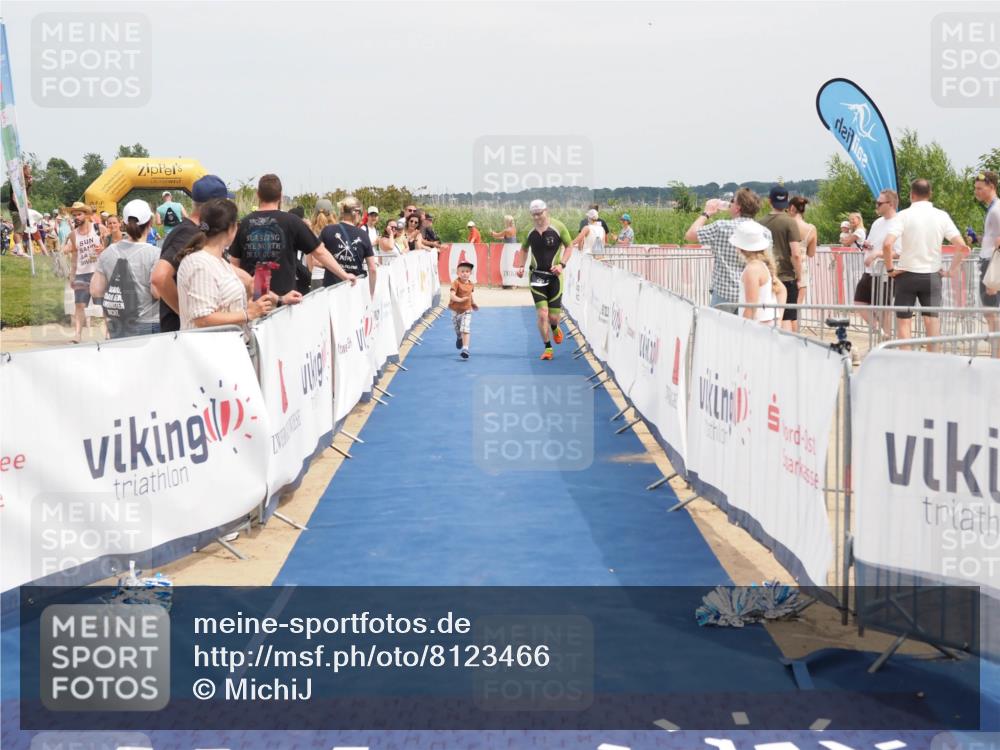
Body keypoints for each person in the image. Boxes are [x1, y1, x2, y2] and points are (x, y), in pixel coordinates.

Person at [176, 198, 302, 330]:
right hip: (208, 348)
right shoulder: (200, 264)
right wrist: (248, 314)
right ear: (231, 229)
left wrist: (280, 300)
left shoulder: (219, 261)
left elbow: (251, 283)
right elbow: (202, 319)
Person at [229, 174, 357, 297]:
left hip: (254, 300)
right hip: (284, 301)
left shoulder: (245, 223)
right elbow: (319, 252)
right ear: (280, 196)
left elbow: (234, 264)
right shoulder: (292, 221)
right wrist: (344, 275)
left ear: (258, 195)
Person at [882, 178, 969, 350]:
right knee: (931, 321)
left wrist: (890, 268)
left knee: (904, 322)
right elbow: (962, 246)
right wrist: (952, 270)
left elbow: (887, 244)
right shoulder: (941, 216)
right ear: (930, 194)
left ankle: (907, 361)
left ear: (911, 195)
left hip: (906, 274)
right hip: (931, 275)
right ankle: (932, 363)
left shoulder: (903, 215)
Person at [152, 174, 232, 333]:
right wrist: (185, 313)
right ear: (214, 206)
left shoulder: (198, 231)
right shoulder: (187, 233)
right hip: (183, 333)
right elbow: (159, 278)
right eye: (224, 204)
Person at [91, 200, 161, 339]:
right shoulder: (155, 253)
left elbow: (95, 290)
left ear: (124, 223)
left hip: (117, 322)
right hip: (147, 322)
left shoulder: (108, 252)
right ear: (150, 224)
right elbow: (156, 292)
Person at [684, 187, 761, 311]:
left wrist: (706, 213)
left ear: (738, 207)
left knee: (717, 328)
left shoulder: (721, 227)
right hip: (751, 293)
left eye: (732, 201)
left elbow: (690, 235)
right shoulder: (764, 232)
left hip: (724, 293)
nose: (729, 203)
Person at [515, 199, 574, 360]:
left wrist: (562, 264)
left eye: (539, 214)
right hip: (536, 277)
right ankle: (548, 348)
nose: (536, 218)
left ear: (546, 211)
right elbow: (524, 249)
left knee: (553, 317)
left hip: (555, 277)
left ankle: (554, 327)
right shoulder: (529, 231)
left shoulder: (558, 227)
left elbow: (569, 246)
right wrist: (520, 265)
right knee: (542, 314)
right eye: (533, 215)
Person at [853, 190, 901, 336]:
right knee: (859, 303)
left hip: (886, 272)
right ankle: (880, 331)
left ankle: (886, 337)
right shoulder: (877, 222)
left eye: (880, 203)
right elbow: (873, 243)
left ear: (891, 204)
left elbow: (899, 253)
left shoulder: (898, 223)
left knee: (884, 309)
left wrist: (877, 254)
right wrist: (868, 245)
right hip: (870, 271)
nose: (877, 205)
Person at [759, 186, 802, 331]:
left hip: (767, 276)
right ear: (787, 201)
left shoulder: (760, 223)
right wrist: (799, 276)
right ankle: (787, 351)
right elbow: (796, 254)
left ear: (769, 200)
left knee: (768, 316)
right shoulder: (790, 222)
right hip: (786, 277)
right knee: (786, 317)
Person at [318, 196, 376, 294]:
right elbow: (372, 269)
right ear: (356, 213)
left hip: (331, 289)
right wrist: (371, 294)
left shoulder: (327, 230)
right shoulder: (363, 235)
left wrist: (333, 266)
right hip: (354, 289)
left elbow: (314, 260)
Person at [733, 220, 786, 324]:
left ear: (740, 247)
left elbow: (751, 306)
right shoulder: (762, 265)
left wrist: (741, 329)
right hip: (766, 324)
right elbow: (782, 290)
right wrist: (777, 318)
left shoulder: (752, 269)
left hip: (757, 328)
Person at [66, 202, 104, 343]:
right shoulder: (73, 234)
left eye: (79, 214)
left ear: (86, 215)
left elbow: (110, 247)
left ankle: (109, 333)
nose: (76, 217)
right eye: (74, 215)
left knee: (103, 303)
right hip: (82, 273)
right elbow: (75, 256)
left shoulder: (98, 228)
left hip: (98, 271)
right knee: (79, 305)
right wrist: (72, 274)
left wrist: (103, 249)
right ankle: (77, 335)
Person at [973, 170, 1000, 356]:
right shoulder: (993, 208)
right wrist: (977, 239)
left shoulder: (997, 209)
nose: (977, 192)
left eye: (980, 189)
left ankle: (996, 356)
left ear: (992, 186)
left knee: (992, 312)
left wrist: (995, 275)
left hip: (991, 263)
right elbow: (992, 238)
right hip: (989, 260)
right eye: (975, 189)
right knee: (989, 311)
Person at [787, 196, 817, 304]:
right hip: (802, 268)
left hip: (785, 268)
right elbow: (811, 253)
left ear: (792, 208)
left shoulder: (785, 225)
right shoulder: (811, 228)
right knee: (797, 308)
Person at [449, 260, 478, 359]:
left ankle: (465, 349)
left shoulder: (471, 284)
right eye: (462, 271)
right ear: (458, 273)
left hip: (467, 310)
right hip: (455, 310)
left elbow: (470, 295)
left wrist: (473, 303)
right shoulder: (456, 283)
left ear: (470, 273)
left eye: (467, 271)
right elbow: (452, 296)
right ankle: (459, 337)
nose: (465, 273)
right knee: (458, 329)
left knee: (465, 328)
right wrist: (460, 300)